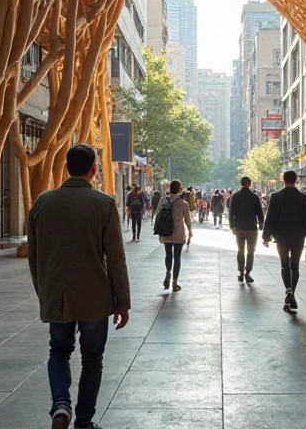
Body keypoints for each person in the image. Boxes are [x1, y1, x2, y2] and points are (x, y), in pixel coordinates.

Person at [27, 143, 130, 429]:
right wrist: (122, 300)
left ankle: (61, 403)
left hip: (57, 295)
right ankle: (84, 422)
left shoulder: (42, 203)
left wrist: (44, 292)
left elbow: (34, 257)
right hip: (94, 298)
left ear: (66, 168)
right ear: (94, 169)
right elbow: (116, 258)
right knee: (92, 358)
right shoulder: (104, 204)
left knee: (58, 351)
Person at [262, 170, 306, 312]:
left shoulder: (276, 196)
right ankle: (292, 295)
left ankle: (288, 291)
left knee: (285, 266)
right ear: (296, 180)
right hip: (298, 236)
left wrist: (266, 236)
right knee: (295, 266)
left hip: (281, 237)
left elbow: (270, 217)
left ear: (283, 180)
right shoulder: (303, 198)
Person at [155, 179, 192, 291]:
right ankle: (175, 282)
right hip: (179, 234)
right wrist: (190, 231)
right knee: (177, 257)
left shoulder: (163, 200)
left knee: (168, 255)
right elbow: (188, 220)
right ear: (180, 190)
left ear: (169, 188)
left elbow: (157, 214)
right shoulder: (183, 203)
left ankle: (167, 273)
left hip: (166, 232)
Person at [229, 176, 264, 282]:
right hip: (252, 228)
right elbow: (260, 213)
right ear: (249, 184)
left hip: (239, 227)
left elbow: (231, 213)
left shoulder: (235, 196)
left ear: (241, 183)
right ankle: (248, 272)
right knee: (250, 251)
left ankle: (240, 272)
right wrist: (261, 224)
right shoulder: (254, 197)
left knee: (240, 250)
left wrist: (232, 226)